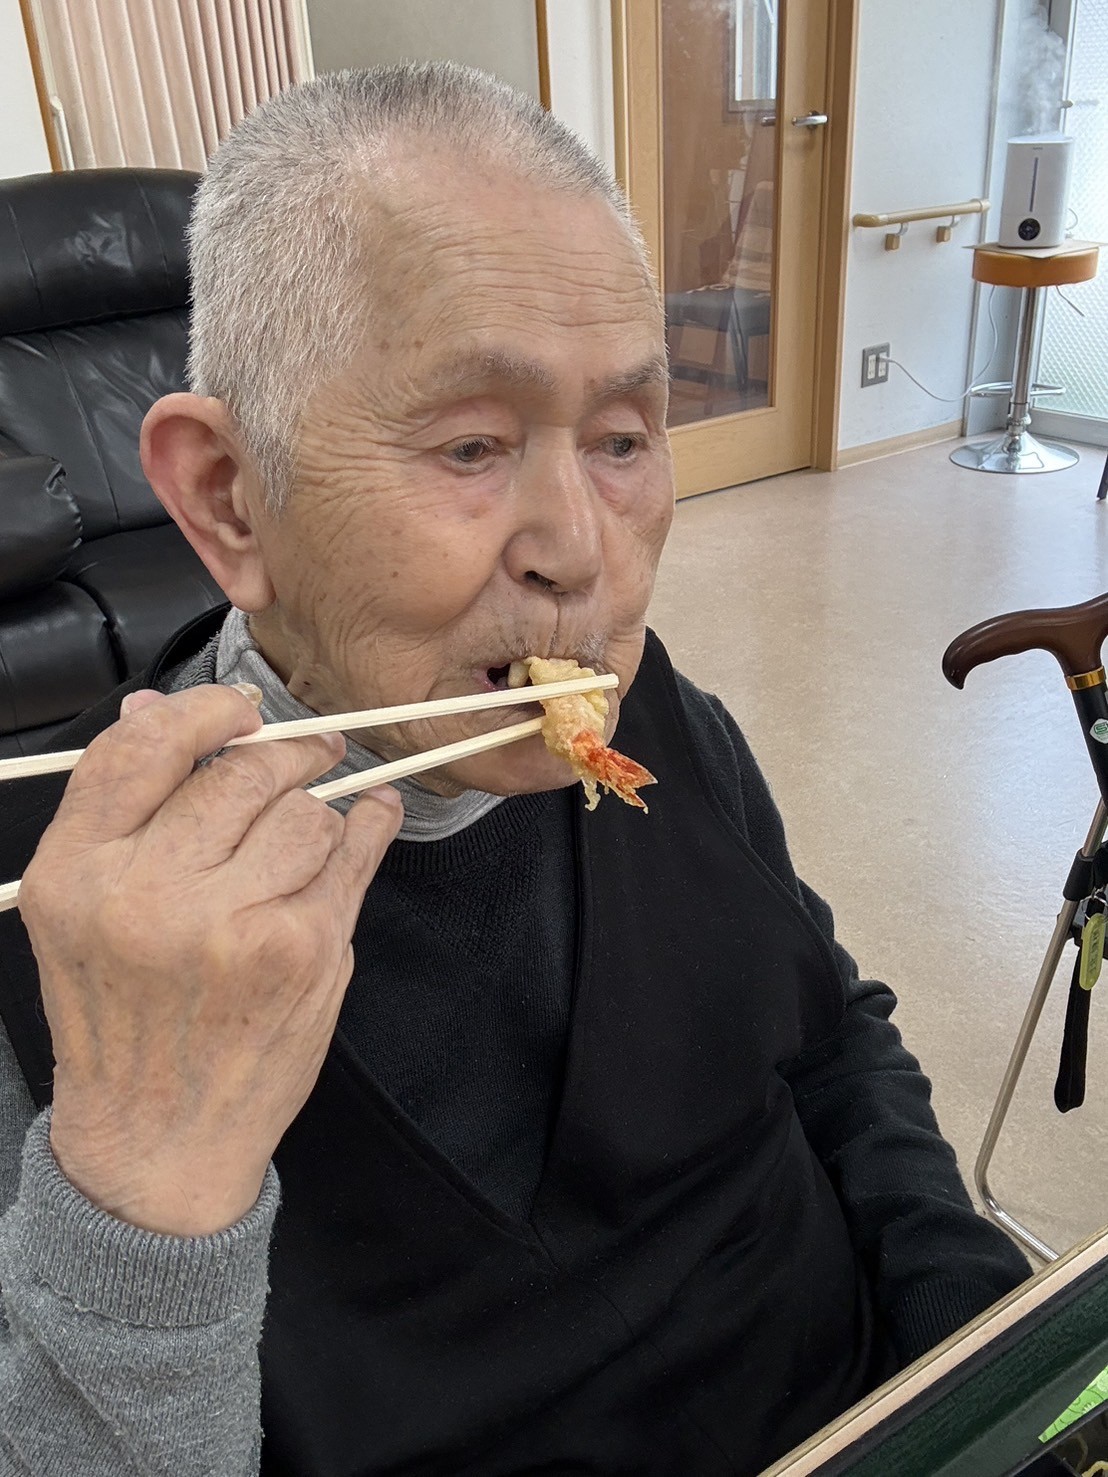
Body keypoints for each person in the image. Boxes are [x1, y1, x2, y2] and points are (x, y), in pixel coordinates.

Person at [0, 63, 1028, 1477]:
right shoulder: (67, 947)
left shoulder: (654, 715)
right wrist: (138, 1186)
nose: (581, 550)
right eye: (473, 444)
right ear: (231, 499)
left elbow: (831, 1037)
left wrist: (985, 1351)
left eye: (622, 440)